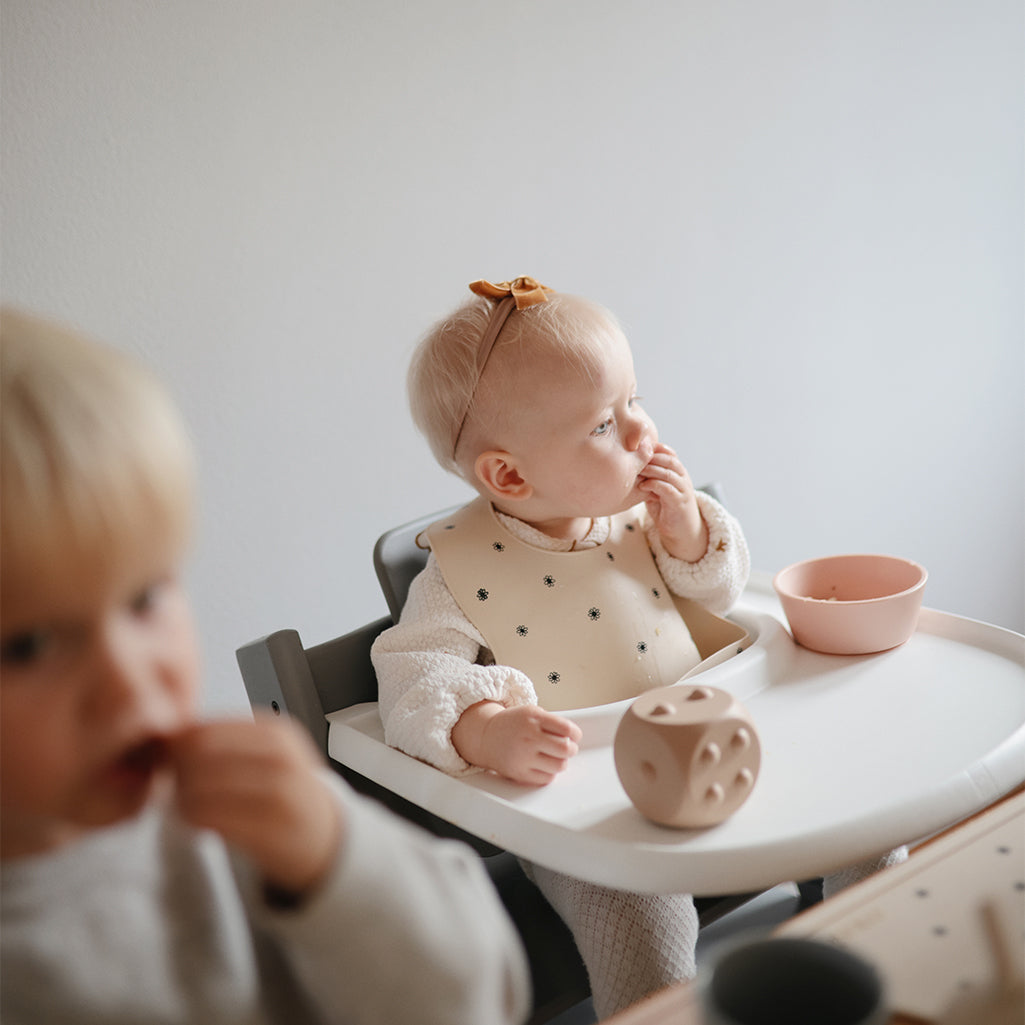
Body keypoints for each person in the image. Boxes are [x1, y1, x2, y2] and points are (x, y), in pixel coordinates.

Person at [372, 277, 905, 1020]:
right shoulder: (459, 570)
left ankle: (866, 984)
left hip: (721, 742)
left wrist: (689, 529)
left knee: (868, 823)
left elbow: (721, 592)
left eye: (635, 399)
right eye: (601, 425)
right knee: (639, 920)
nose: (641, 432)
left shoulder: (642, 515)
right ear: (509, 475)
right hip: (593, 816)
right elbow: (412, 680)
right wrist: (487, 728)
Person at [0, 307, 531, 1025]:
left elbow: (480, 996)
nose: (129, 680)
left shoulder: (232, 818)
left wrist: (334, 859)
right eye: (28, 645)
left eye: (144, 597)